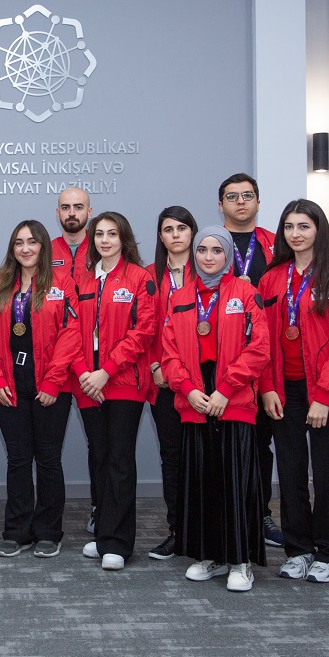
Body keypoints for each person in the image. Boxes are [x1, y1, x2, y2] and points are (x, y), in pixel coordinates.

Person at [161, 226, 270, 592]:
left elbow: (259, 348)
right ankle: (207, 555)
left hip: (232, 397)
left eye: (216, 251)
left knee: (234, 482)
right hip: (195, 399)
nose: (209, 257)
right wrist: (188, 389)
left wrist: (225, 389)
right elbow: (169, 352)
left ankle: (240, 561)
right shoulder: (179, 297)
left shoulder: (246, 293)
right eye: (203, 250)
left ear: (227, 255)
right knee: (201, 480)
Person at [258, 200, 329, 583]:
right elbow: (263, 340)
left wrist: (325, 395)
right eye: (288, 226)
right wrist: (267, 388)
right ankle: (299, 549)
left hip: (328, 393)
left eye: (304, 225)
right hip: (284, 390)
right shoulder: (272, 279)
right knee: (291, 473)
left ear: (319, 230)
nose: (296, 233)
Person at [0, 220, 79, 558]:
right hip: (9, 386)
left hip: (51, 385)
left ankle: (48, 530)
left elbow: (71, 334)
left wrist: (52, 380)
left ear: (43, 246)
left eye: (32, 242)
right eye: (19, 242)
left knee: (48, 459)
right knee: (18, 460)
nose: (26, 248)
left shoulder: (62, 285)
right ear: (12, 249)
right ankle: (17, 530)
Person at [75, 213, 158, 571]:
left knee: (120, 460)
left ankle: (119, 543)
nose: (105, 240)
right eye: (99, 234)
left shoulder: (140, 279)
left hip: (123, 381)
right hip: (87, 383)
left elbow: (144, 332)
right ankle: (103, 532)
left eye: (112, 234)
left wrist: (105, 372)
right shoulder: (82, 279)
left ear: (124, 239)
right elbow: (69, 330)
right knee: (100, 456)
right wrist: (84, 373)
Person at [218, 172, 283, 548]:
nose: (240, 202)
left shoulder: (278, 246)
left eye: (247, 195)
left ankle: (260, 514)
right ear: (221, 204)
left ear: (258, 202)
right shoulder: (209, 245)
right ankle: (225, 512)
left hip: (266, 358)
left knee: (261, 444)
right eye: (232, 196)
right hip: (221, 361)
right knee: (221, 444)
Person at [144, 205, 197, 560]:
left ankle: (204, 531)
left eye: (181, 228)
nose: (175, 235)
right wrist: (153, 366)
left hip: (202, 382)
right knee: (172, 458)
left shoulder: (210, 269)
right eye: (168, 229)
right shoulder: (149, 275)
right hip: (163, 382)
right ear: (160, 237)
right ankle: (177, 530)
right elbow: (144, 326)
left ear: (192, 232)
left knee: (204, 458)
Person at [49, 187, 100, 534]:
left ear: (89, 211)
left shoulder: (102, 247)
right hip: (53, 368)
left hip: (89, 369)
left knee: (99, 445)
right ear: (57, 212)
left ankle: (100, 507)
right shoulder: (42, 250)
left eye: (78, 207)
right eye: (66, 207)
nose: (72, 212)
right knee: (48, 451)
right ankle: (49, 518)